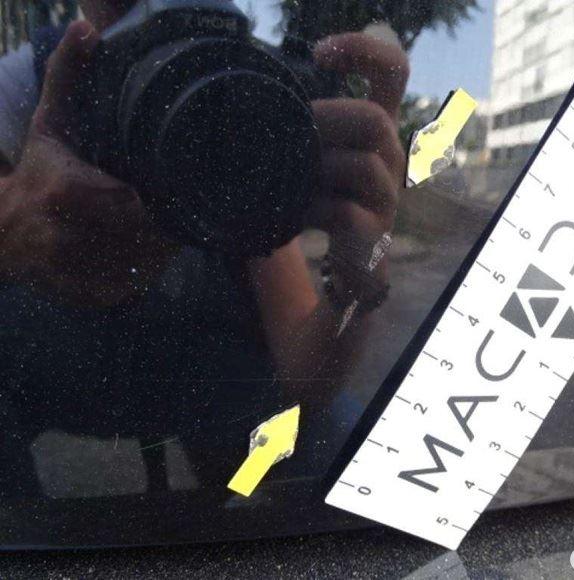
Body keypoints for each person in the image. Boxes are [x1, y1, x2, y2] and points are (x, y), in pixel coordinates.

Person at [0, 1, 408, 495]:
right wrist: (12, 218)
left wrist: (359, 274)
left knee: (339, 453)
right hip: (104, 379)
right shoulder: (27, 81)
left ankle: (235, 508)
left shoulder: (237, 93)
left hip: (201, 390)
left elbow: (304, 380)